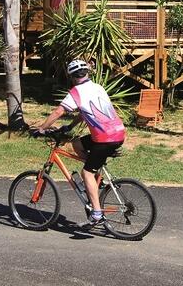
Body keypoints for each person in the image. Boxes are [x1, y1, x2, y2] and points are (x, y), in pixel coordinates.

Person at [35, 59, 126, 229]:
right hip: (119, 133)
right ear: (87, 73)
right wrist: (70, 126)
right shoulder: (98, 87)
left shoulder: (76, 92)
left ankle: (97, 213)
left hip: (104, 138)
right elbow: (86, 111)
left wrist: (41, 128)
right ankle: (95, 180)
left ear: (71, 76)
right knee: (77, 144)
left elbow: (58, 111)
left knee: (87, 173)